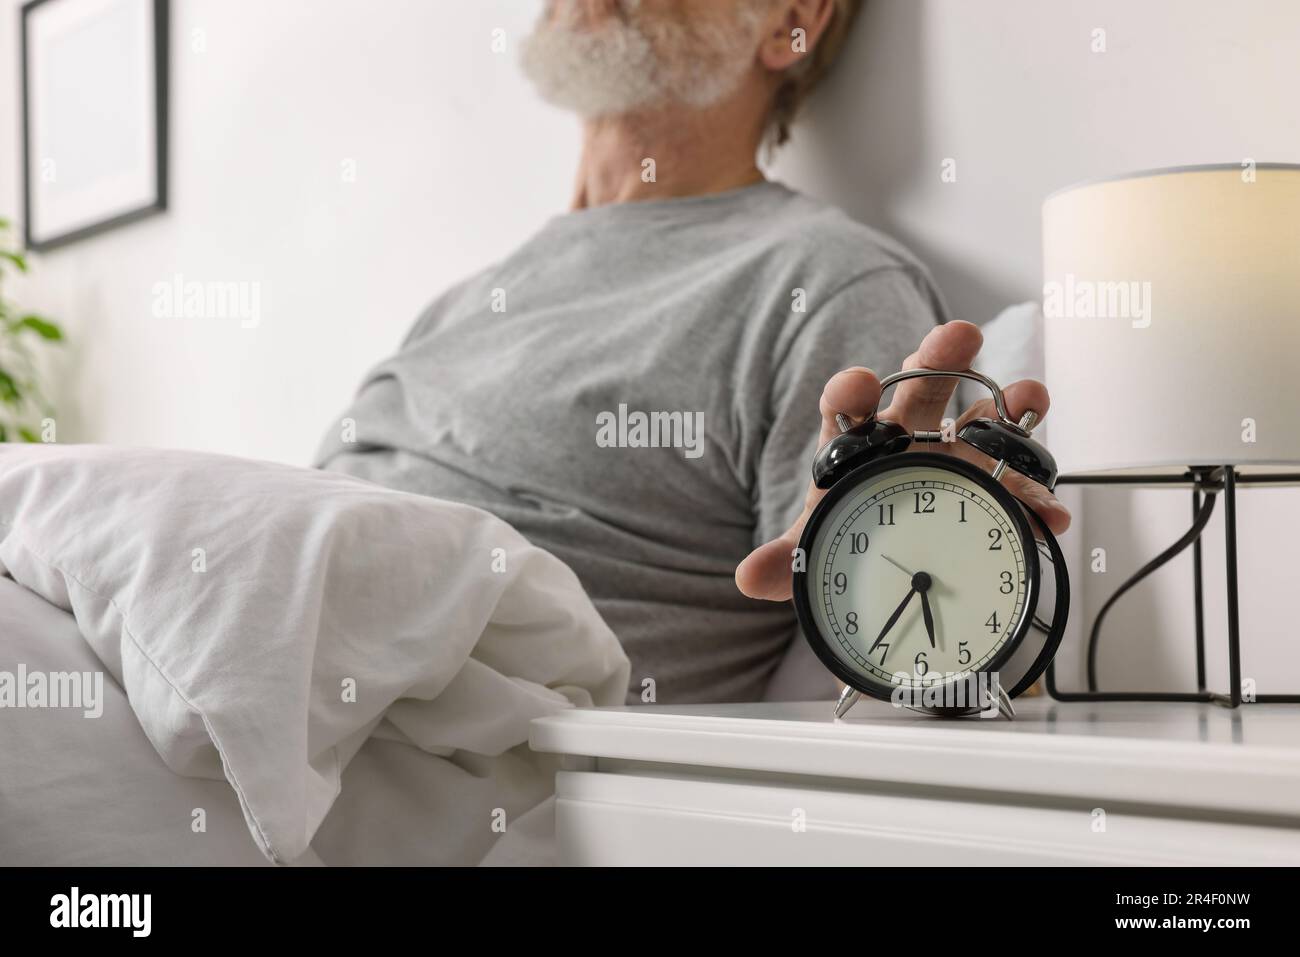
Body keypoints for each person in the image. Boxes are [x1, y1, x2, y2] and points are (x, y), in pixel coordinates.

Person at [316, 0, 1070, 704]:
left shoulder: (821, 279)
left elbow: (913, 644)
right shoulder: (468, 298)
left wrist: (919, 536)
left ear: (793, 21)